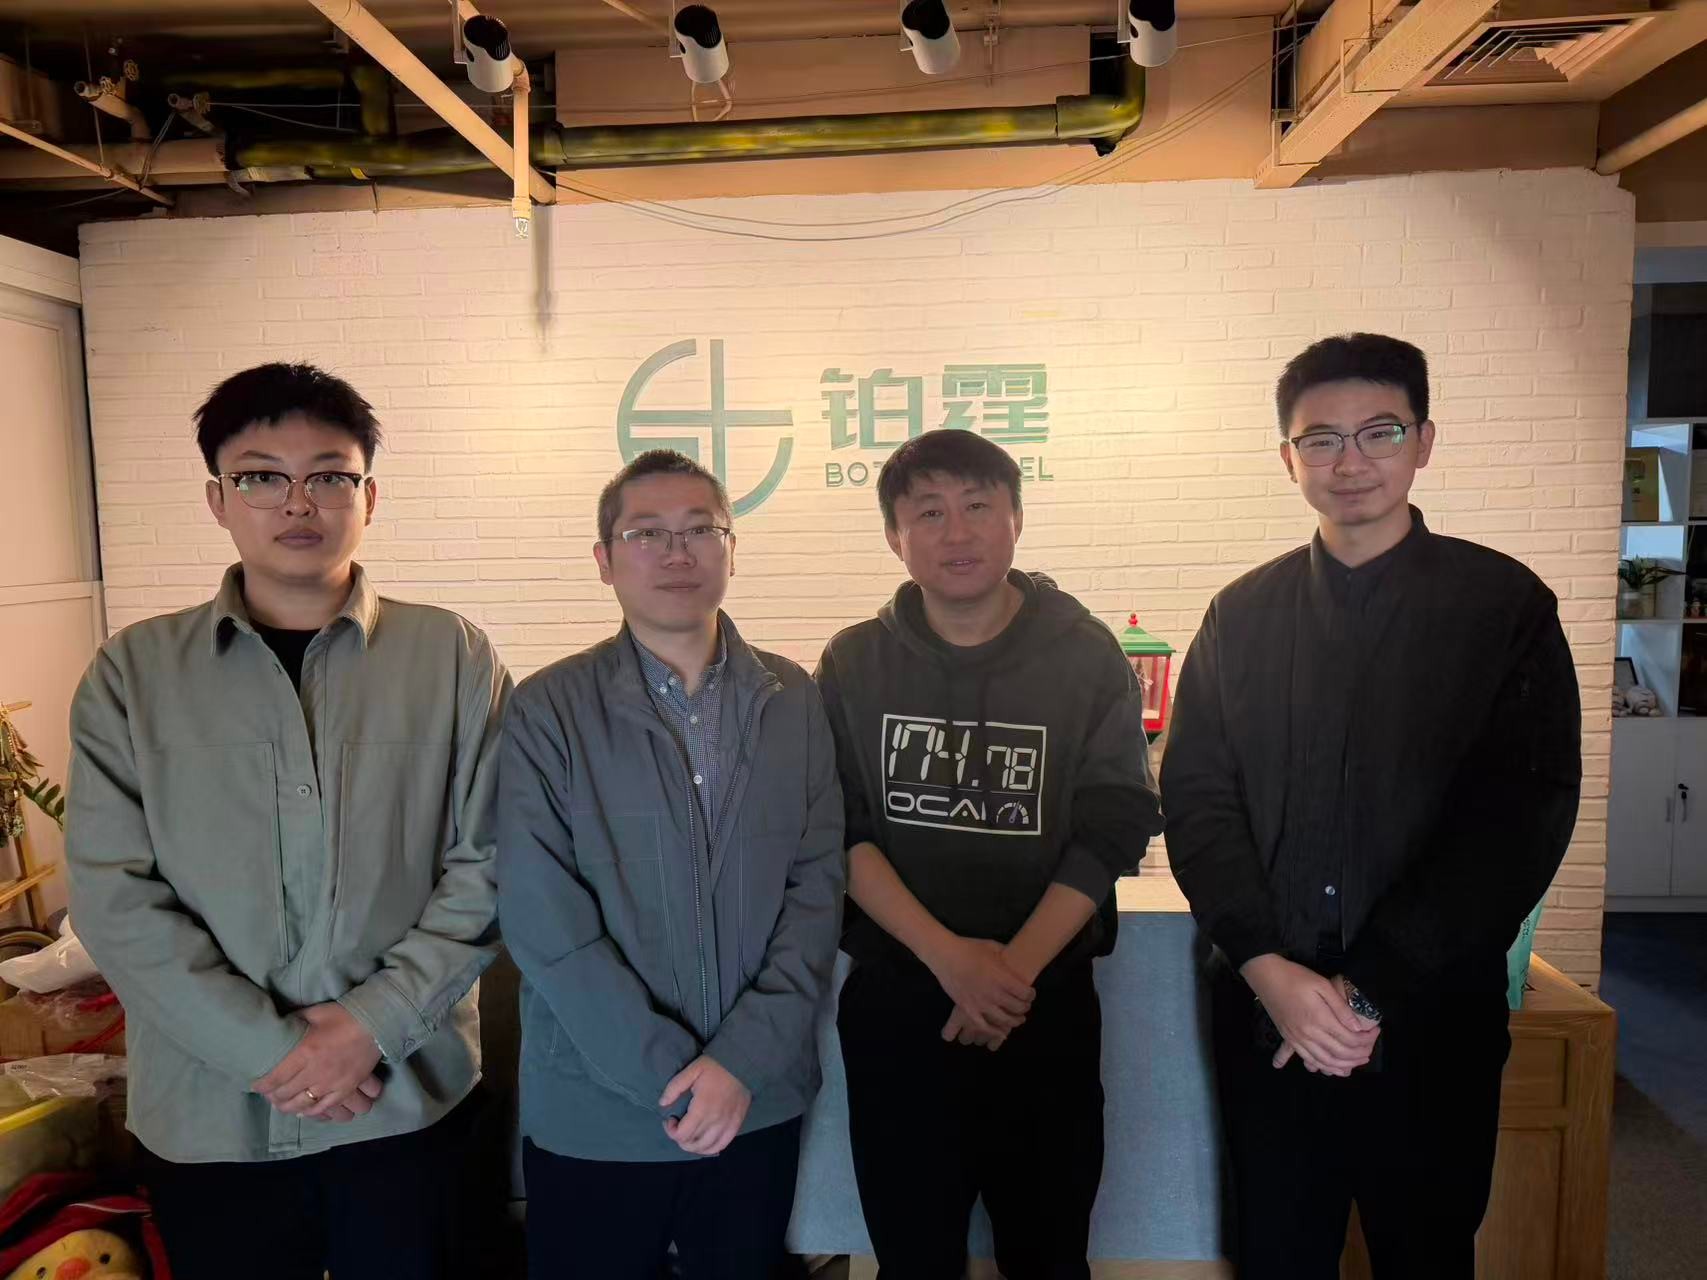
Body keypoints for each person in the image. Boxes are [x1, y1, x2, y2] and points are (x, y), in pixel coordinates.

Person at [65, 363, 511, 1279]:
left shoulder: (452, 657)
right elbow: (114, 897)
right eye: (262, 476)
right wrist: (274, 1053)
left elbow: (492, 863)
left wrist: (370, 1027)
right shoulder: (132, 674)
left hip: (406, 1101)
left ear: (369, 496)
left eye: (330, 475)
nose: (298, 502)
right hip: (211, 1114)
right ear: (218, 499)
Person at [1162, 333, 1582, 1279]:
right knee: (1276, 1254)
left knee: (1425, 1252)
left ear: (1422, 441)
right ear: (1288, 458)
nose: (1348, 461)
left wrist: (1366, 991)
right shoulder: (1240, 616)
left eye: (1378, 431)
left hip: (1430, 1018)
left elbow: (1520, 817)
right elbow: (1195, 801)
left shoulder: (1501, 606)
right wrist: (1268, 970)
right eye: (1320, 439)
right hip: (1269, 1015)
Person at [815, 429, 1162, 1279]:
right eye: (928, 513)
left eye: (977, 506)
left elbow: (1114, 823)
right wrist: (951, 962)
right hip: (900, 1006)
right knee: (913, 1257)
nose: (956, 532)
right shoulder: (855, 662)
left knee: (1048, 1254)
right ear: (894, 536)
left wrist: (1006, 976)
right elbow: (837, 827)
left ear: (1016, 518)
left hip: (1042, 1007)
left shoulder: (1085, 655)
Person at [498, 449, 845, 1280]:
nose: (675, 552)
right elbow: (542, 914)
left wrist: (739, 1064)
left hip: (753, 1100)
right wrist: (673, 1076)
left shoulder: (793, 699)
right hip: (597, 1107)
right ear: (604, 559)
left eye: (699, 530)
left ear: (731, 548)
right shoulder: (548, 708)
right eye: (646, 533)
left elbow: (816, 888)